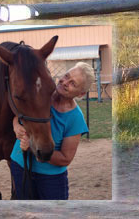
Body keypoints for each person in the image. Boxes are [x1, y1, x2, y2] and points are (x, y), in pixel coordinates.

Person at [10, 62, 94, 200]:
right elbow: (19, 114)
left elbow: (65, 158)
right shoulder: (41, 94)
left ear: (81, 94)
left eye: (73, 83)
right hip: (21, 165)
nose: (65, 82)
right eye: (67, 76)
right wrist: (15, 125)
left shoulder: (75, 118)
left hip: (50, 178)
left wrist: (32, 147)